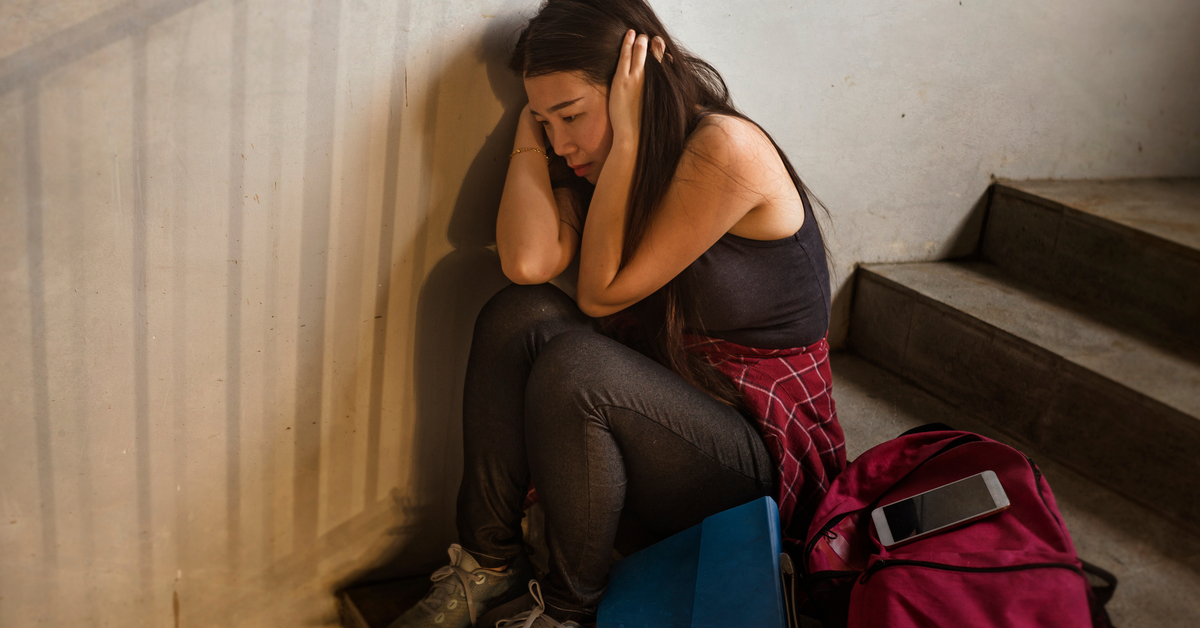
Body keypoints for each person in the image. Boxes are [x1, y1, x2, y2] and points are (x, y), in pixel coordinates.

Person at [391, 1, 845, 626]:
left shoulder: (724, 149)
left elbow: (601, 295)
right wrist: (535, 129)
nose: (562, 142)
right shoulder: (592, 161)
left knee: (579, 363)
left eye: (572, 114)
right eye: (546, 121)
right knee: (517, 312)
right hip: (666, 408)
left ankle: (568, 611)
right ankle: (489, 566)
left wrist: (627, 140)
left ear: (639, 81)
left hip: (759, 452)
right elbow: (527, 262)